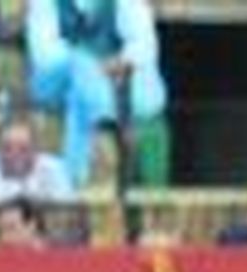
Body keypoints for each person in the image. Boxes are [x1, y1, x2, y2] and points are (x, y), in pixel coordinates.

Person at [25, 0, 169, 187]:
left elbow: (144, 44)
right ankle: (104, 120)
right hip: (55, 83)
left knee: (144, 89)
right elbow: (45, 55)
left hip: (107, 80)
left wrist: (120, 61)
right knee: (81, 67)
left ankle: (75, 179)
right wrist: (93, 67)